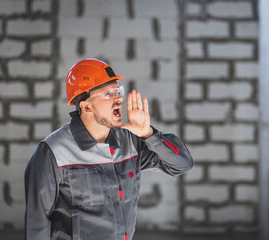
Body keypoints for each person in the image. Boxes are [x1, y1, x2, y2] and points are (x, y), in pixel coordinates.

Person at [24, 58, 193, 240]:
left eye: (118, 91)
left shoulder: (129, 141)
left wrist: (148, 134)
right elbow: (37, 224)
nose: (119, 98)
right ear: (86, 106)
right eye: (108, 94)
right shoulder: (53, 152)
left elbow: (182, 164)